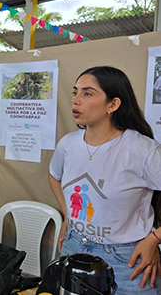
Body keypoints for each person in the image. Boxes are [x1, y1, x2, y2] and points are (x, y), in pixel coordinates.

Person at [49, 66, 161, 294]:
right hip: (73, 248)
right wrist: (68, 217)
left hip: (127, 260)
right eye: (75, 92)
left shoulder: (142, 149)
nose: (76, 101)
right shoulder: (68, 144)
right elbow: (54, 177)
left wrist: (154, 239)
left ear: (113, 104)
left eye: (87, 93)